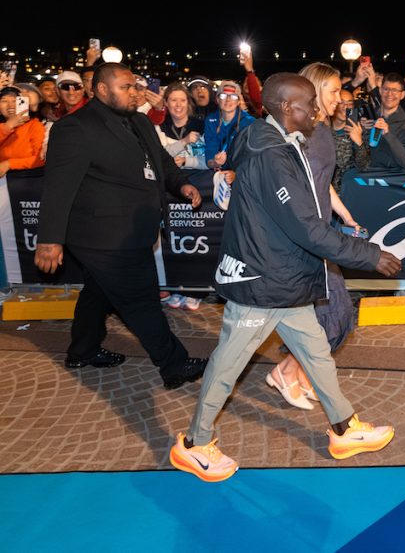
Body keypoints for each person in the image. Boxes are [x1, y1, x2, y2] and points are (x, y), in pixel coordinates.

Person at [170, 73, 401, 482]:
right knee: (229, 363)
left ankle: (344, 429)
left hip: (284, 275)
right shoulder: (270, 156)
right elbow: (306, 227)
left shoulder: (280, 141)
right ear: (284, 108)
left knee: (316, 353)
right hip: (262, 279)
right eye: (308, 104)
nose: (316, 111)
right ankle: (193, 444)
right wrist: (369, 255)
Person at [34, 62, 207, 389]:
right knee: (141, 301)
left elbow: (161, 161)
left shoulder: (139, 121)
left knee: (99, 293)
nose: (134, 93)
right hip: (102, 235)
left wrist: (181, 184)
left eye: (135, 86)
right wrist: (49, 240)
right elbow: (58, 188)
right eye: (126, 87)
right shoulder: (75, 128)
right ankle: (174, 364)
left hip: (134, 229)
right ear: (102, 90)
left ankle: (82, 350)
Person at [259, 62, 366, 411]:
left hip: (321, 233)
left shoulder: (323, 132)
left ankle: (294, 373)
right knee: (330, 313)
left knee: (332, 313)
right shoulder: (294, 133)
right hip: (302, 237)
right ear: (315, 91)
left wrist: (345, 215)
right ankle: (289, 372)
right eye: (334, 91)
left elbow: (323, 182)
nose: (340, 98)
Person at [363, 73, 405, 169]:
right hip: (366, 174)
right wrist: (362, 130)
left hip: (388, 176)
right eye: (386, 89)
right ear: (380, 91)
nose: (390, 94)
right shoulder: (370, 116)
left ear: (402, 95)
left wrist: (388, 134)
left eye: (395, 90)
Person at [204, 81, 255, 172]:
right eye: (223, 96)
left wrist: (235, 174)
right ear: (217, 99)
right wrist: (215, 163)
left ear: (238, 101)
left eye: (233, 96)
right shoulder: (211, 120)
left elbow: (252, 156)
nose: (228, 100)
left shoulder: (249, 122)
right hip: (219, 172)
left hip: (242, 172)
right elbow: (210, 150)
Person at [0, 86, 45, 173]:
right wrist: (7, 127)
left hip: (27, 177)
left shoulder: (34, 125)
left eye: (14, 100)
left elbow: (41, 158)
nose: (10, 105)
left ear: (23, 103)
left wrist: (9, 164)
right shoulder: (2, 127)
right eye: (4, 101)